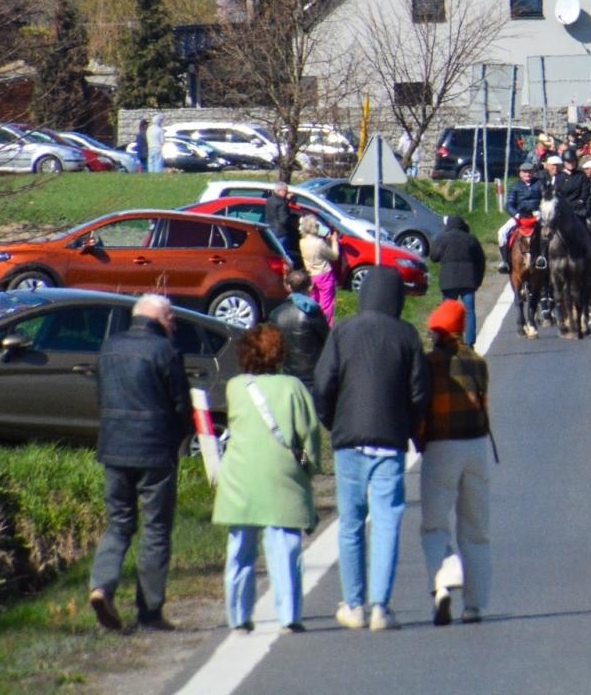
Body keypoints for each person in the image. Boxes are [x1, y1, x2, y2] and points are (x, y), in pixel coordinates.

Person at [314, 265, 429, 632]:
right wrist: (406, 427)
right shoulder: (406, 335)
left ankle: (354, 604)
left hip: (348, 439)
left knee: (350, 524)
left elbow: (323, 383)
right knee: (385, 522)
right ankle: (380, 606)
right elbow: (419, 392)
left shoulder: (343, 331)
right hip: (389, 440)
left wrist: (333, 422)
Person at [87, 293, 191, 632]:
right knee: (156, 529)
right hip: (155, 450)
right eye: (171, 317)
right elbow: (181, 406)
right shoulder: (165, 351)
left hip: (114, 447)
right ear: (158, 317)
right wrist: (176, 441)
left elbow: (100, 397)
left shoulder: (110, 347)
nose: (174, 323)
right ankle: (149, 611)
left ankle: (101, 586)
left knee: (118, 523)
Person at [213, 323, 321, 634]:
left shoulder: (236, 387)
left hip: (240, 478)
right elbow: (309, 433)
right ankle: (289, 615)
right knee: (285, 548)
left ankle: (238, 615)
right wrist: (308, 467)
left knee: (240, 549)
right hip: (281, 476)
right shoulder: (293, 387)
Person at [417, 300, 492, 626]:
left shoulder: (430, 363)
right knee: (475, 529)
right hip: (476, 446)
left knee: (435, 524)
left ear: (438, 332)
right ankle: (474, 605)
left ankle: (443, 581)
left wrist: (419, 439)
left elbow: (421, 407)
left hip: (441, 445)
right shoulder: (477, 361)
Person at [430, 216, 485, 347]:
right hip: (468, 280)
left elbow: (434, 257)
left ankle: (448, 340)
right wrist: (478, 280)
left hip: (448, 280)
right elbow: (481, 261)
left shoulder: (442, 238)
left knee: (448, 311)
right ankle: (470, 342)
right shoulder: (471, 239)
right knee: (469, 311)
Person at [268, 269, 329, 382]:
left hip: (286, 374)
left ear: (288, 287)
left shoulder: (275, 314)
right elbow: (327, 339)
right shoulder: (312, 312)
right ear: (310, 287)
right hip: (312, 373)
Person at [497, 162, 542, 273]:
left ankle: (543, 257)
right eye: (525, 172)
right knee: (502, 232)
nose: (528, 174)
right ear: (520, 173)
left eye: (530, 172)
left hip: (537, 216)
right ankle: (505, 261)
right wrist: (517, 214)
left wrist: (541, 212)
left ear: (533, 172)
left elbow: (546, 199)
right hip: (520, 216)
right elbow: (508, 205)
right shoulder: (515, 186)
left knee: (548, 232)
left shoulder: (540, 184)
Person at [299, 216, 340, 326]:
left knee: (313, 300)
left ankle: (312, 324)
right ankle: (326, 326)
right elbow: (334, 256)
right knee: (326, 303)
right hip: (324, 273)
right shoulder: (319, 242)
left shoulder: (302, 242)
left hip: (311, 274)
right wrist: (334, 242)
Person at [263, 182, 302, 266]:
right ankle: (289, 267)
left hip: (271, 229)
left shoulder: (270, 200)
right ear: (280, 191)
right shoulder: (281, 203)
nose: (287, 193)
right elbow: (284, 220)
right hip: (281, 232)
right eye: (286, 191)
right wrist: (293, 224)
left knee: (275, 252)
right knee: (283, 253)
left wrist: (287, 200)